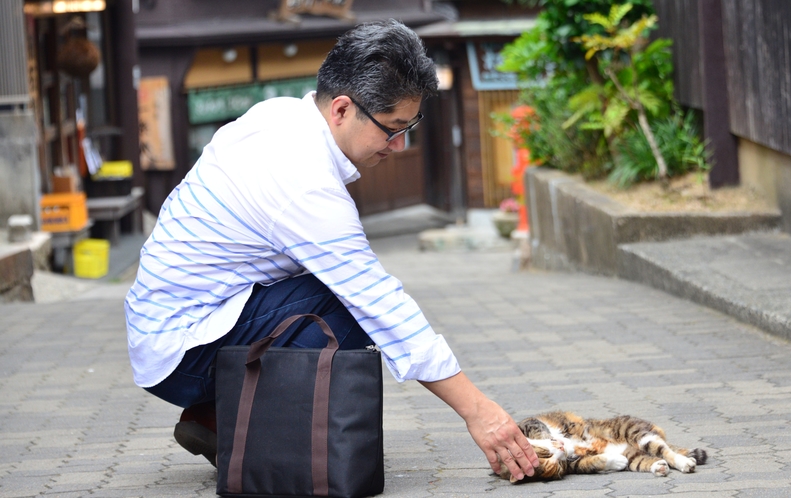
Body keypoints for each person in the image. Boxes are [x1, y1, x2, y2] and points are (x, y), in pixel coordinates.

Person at [124, 19, 538, 481]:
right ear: (342, 108)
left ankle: (218, 418)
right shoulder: (302, 181)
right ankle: (238, 422)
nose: (399, 146)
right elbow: (379, 301)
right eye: (393, 129)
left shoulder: (280, 115)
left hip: (168, 326)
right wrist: (479, 411)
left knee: (332, 291)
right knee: (346, 304)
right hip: (182, 348)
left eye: (410, 127)